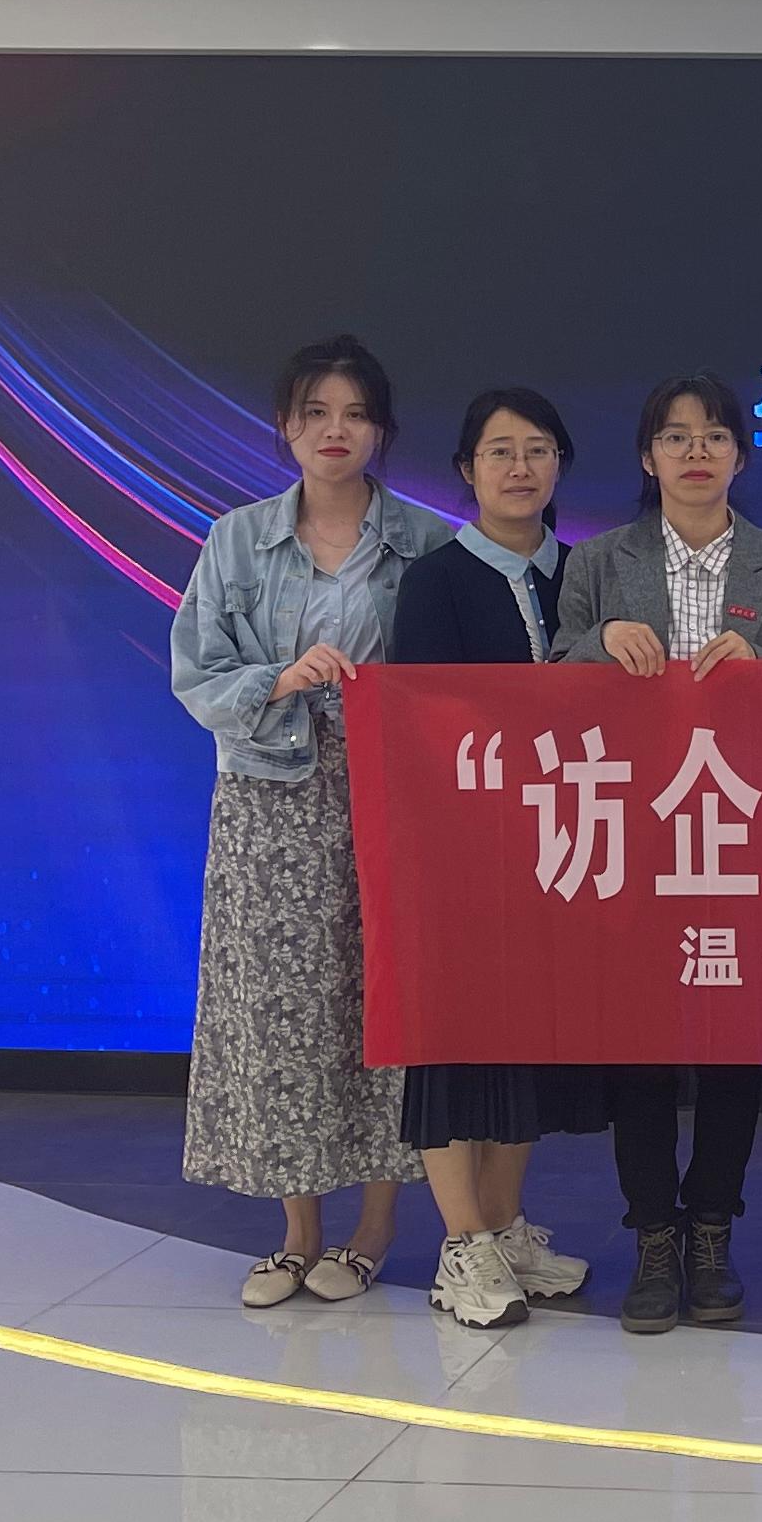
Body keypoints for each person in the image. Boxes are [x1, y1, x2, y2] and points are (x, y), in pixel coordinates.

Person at [168, 334, 441, 1306]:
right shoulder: (237, 537)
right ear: (285, 426)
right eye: (315, 413)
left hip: (390, 801)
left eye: (355, 413)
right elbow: (194, 671)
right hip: (270, 799)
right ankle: (296, 1232)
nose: (335, 430)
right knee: (279, 1009)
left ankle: (373, 1227)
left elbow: (452, 679)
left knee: (381, 1003)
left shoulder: (425, 542)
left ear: (381, 430)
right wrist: (278, 681)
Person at [552, 372, 762, 1335]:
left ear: (740, 455)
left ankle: (713, 1228)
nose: (696, 452)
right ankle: (653, 1237)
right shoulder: (598, 562)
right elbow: (552, 678)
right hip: (631, 830)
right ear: (648, 456)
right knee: (640, 1045)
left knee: (732, 1046)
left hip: (745, 830)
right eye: (676, 437)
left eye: (714, 436)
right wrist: (602, 640)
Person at [385, 385, 609, 1331]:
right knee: (455, 1043)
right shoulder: (435, 581)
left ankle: (508, 1225)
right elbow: (421, 724)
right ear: (467, 470)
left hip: (567, 846)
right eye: (500, 452)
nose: (521, 468)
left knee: (532, 1043)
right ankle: (462, 1244)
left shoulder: (587, 577)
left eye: (538, 450)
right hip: (463, 851)